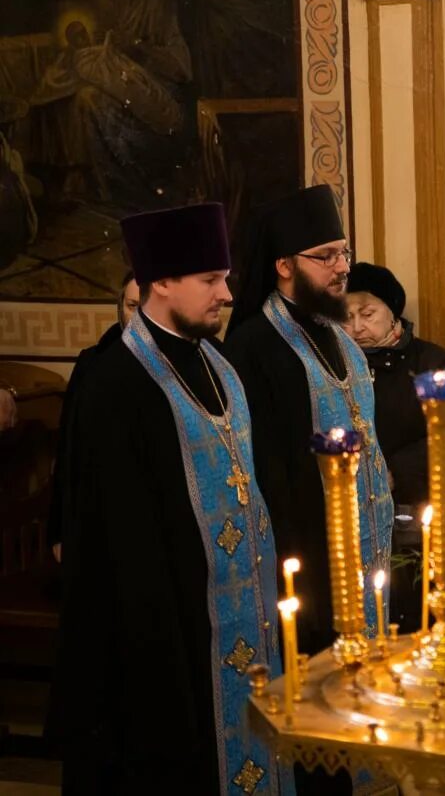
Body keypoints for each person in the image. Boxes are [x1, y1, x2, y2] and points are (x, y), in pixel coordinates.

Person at [49, 204, 288, 795]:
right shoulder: (114, 383)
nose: (226, 294)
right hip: (164, 638)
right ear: (160, 282)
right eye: (209, 280)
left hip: (237, 618)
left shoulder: (218, 364)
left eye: (225, 278)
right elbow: (116, 541)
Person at [224, 184, 392, 657]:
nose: (342, 267)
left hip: (364, 547)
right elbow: (264, 473)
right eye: (326, 256)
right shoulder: (251, 348)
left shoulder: (336, 333)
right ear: (284, 265)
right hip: (307, 563)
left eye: (343, 253)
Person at [343, 262, 445, 631]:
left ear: (392, 313)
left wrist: (393, 471)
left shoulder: (430, 360)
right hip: (356, 511)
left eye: (367, 314)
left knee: (419, 611)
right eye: (346, 317)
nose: (356, 327)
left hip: (416, 510)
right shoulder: (337, 367)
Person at [49, 270, 140, 561]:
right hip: (95, 511)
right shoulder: (92, 363)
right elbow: (68, 449)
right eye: (132, 307)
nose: (138, 318)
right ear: (120, 308)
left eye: (145, 308)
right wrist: (58, 531)